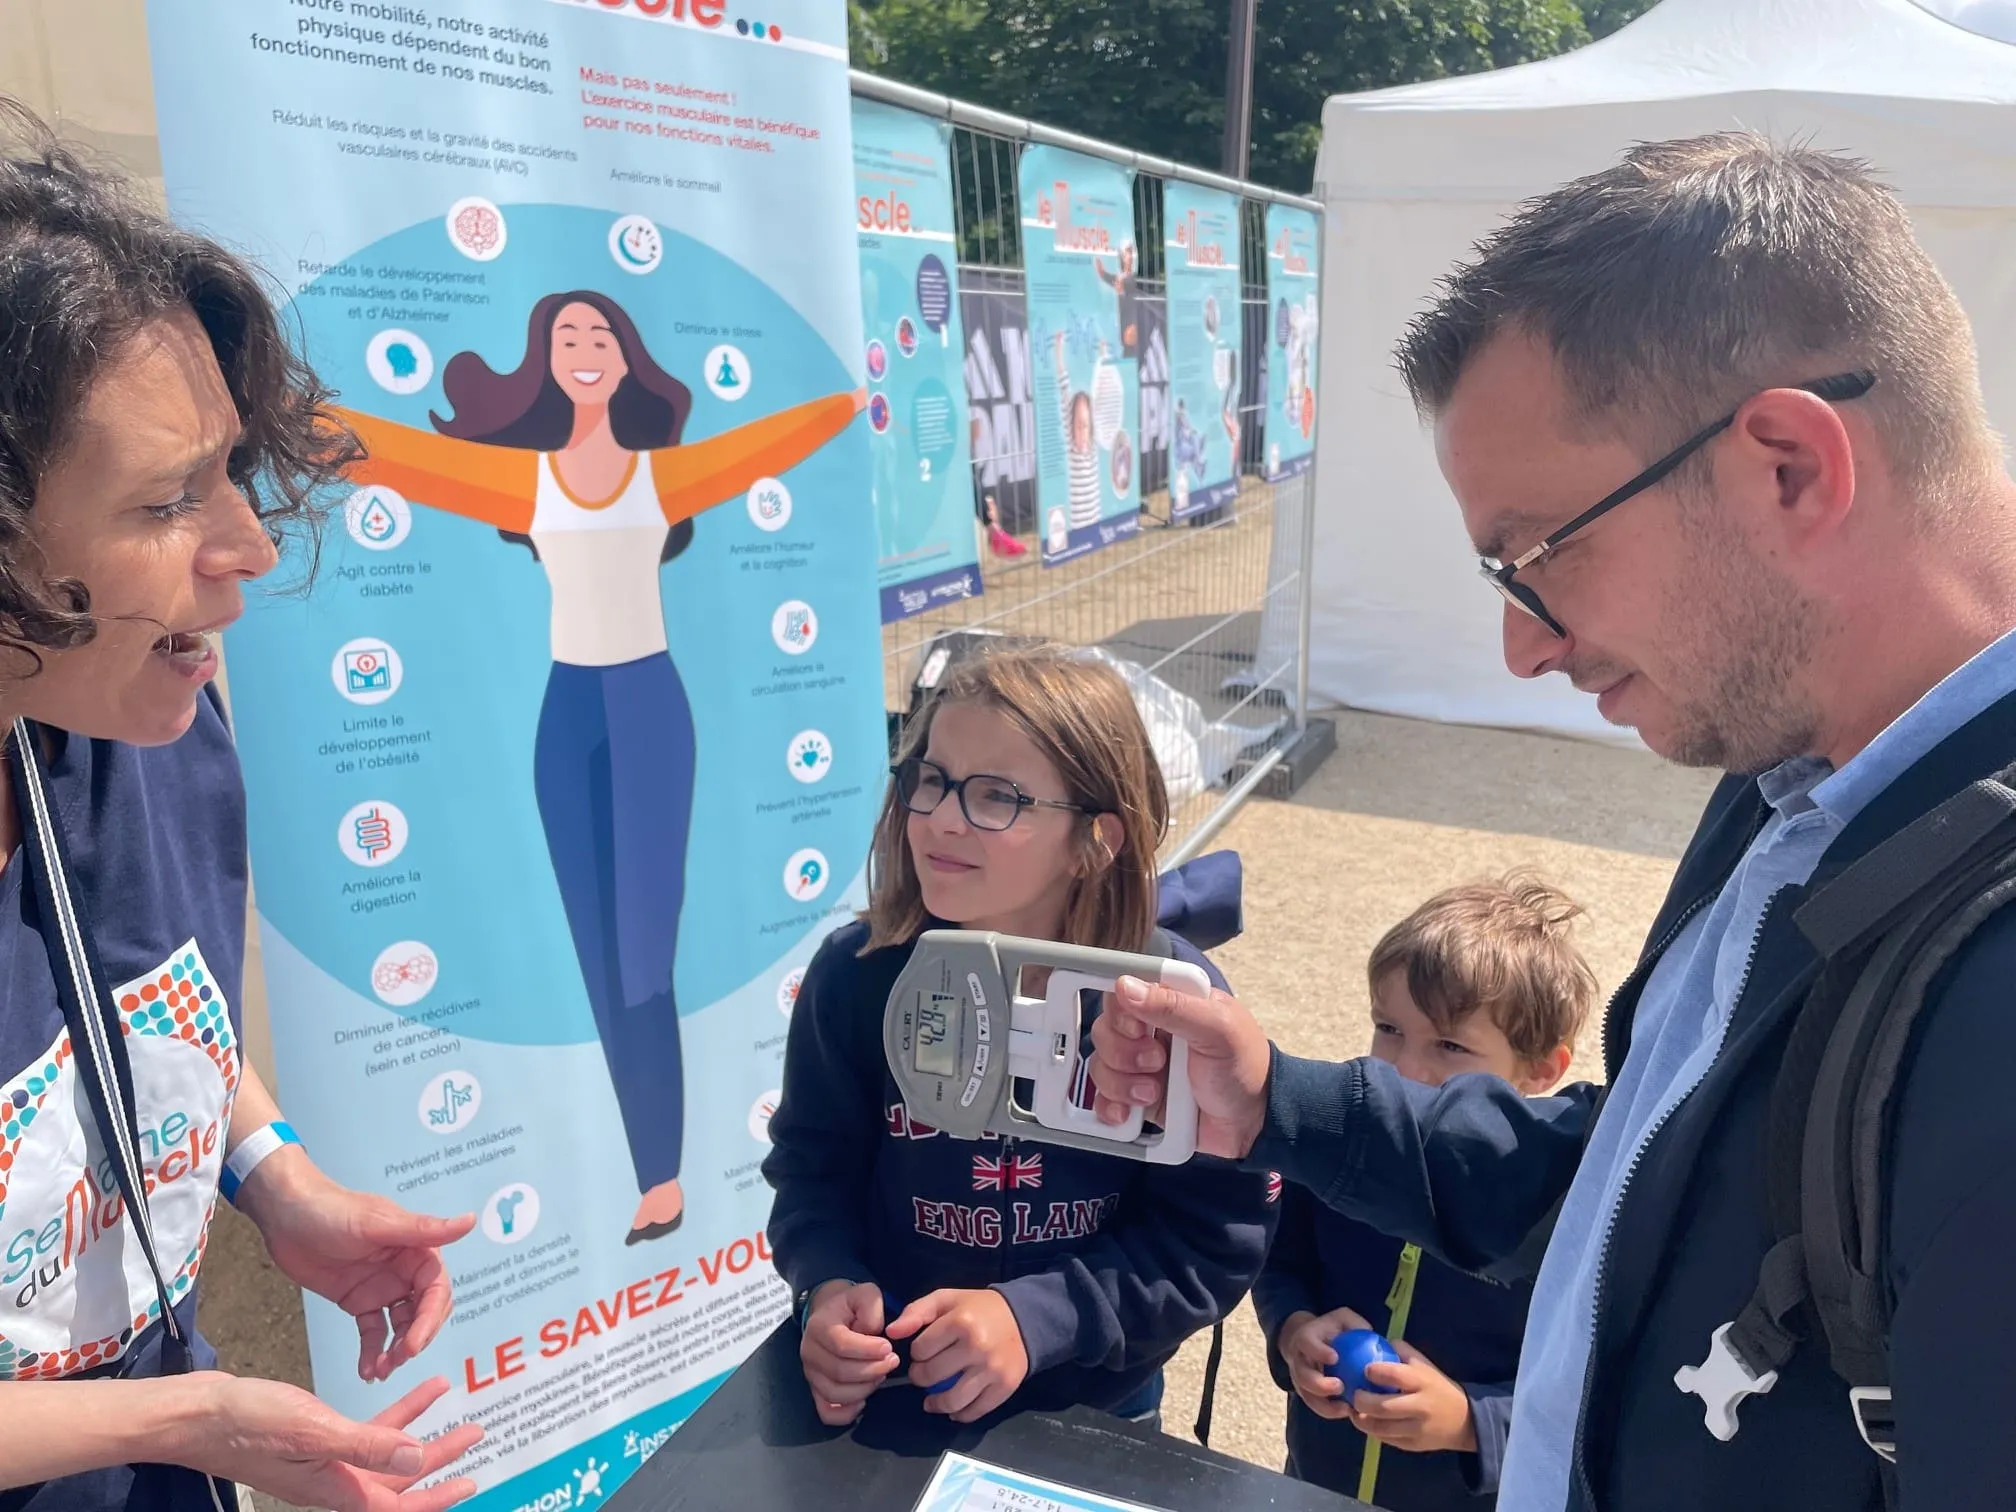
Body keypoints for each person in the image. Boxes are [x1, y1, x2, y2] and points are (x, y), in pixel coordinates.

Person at [1088, 133, 2016, 1510]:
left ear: (1787, 469)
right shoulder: (1795, 780)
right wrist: (1275, 1100)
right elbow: (1640, 1174)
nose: (1524, 650)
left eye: (1535, 558)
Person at [0, 104, 478, 1512]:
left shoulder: (136, 717)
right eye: (164, 503)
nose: (250, 550)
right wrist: (183, 1417)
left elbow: (152, 999)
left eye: (232, 473)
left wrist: (272, 1177)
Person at [338, 294, 860, 1245]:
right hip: (566, 716)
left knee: (643, 959)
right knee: (596, 957)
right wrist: (276, 409)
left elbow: (786, 434)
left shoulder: (664, 478)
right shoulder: (524, 481)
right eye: (566, 338)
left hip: (649, 713)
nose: (585, 350)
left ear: (627, 363)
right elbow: (386, 452)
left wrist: (845, 402)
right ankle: (650, 1172)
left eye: (603, 337)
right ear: (545, 361)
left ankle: (663, 1171)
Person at [761, 645, 1273, 1430]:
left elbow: (1211, 1239)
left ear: (1098, 839)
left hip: (1096, 1408)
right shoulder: (856, 978)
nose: (938, 816)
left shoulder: (1175, 1005)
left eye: (996, 796)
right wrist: (826, 1283)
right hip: (898, 1399)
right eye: (930, 779)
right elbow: (811, 1171)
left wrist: (1044, 1317)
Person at [1255, 875, 1592, 1511]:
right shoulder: (1345, 1156)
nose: (1404, 1069)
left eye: (1449, 1045)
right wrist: (1295, 1329)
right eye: (1388, 1028)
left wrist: (1470, 1421)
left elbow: (1589, 1397)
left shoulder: (1557, 1210)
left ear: (1542, 1070)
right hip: (1317, 1482)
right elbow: (1282, 1261)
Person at [1050, 332, 1103, 533]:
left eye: (1085, 425)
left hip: (1095, 520)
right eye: (1077, 425)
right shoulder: (1071, 449)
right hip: (1079, 527)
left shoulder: (1093, 447)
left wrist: (1102, 355)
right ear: (1070, 426)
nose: (1081, 431)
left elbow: (1100, 388)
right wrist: (1058, 348)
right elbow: (1064, 387)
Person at [1094, 242, 1141, 359]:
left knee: (1131, 354)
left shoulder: (1134, 278)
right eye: (1127, 254)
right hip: (1124, 329)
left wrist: (1120, 288)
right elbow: (1105, 275)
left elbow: (1124, 284)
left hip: (1132, 328)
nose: (1130, 256)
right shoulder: (1119, 278)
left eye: (1131, 253)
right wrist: (1098, 258)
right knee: (1127, 355)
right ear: (1122, 257)